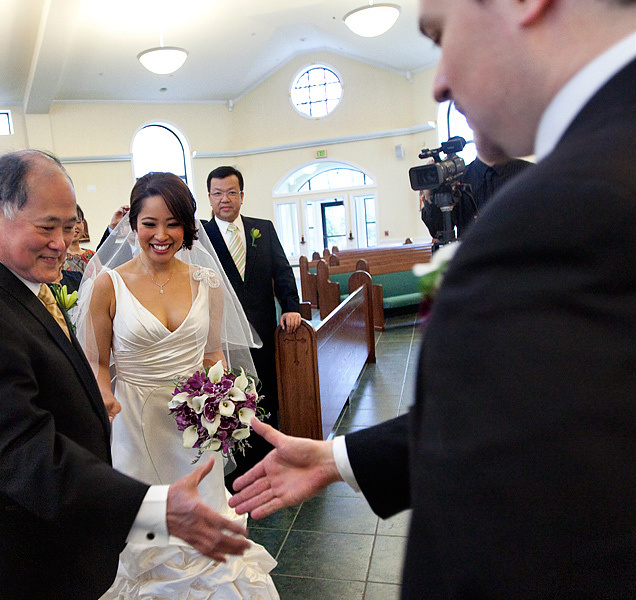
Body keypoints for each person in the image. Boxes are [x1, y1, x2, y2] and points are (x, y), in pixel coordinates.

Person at [230, 0, 636, 597]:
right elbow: (525, 415)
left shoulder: (570, 203)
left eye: (441, 33)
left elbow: (527, 511)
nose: (440, 82)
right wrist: (338, 459)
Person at [0, 150, 251, 600]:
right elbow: (23, 452)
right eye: (48, 227)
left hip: (66, 525)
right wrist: (152, 506)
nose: (63, 243)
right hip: (30, 549)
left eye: (68, 228)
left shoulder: (18, 291)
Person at [76, 172, 278, 599]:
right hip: (136, 424)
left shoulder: (207, 281)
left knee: (206, 525)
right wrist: (105, 395)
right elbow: (95, 362)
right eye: (150, 223)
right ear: (133, 224)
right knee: (149, 537)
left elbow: (211, 356)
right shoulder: (106, 286)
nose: (161, 235)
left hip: (197, 428)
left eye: (173, 223)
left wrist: (228, 402)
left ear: (188, 227)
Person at [202, 165, 302, 484]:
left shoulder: (264, 229)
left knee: (265, 398)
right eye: (217, 193)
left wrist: (291, 307)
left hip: (263, 332)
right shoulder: (201, 237)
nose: (225, 199)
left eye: (231, 192)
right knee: (231, 402)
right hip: (224, 339)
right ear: (209, 198)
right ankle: (239, 472)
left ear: (242, 195)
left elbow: (283, 273)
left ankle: (270, 464)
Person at [420, 130, 531, 241]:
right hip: (472, 255)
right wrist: (430, 198)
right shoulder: (458, 178)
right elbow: (437, 230)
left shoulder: (529, 172)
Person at [62, 204, 96, 273]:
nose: (74, 227)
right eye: (69, 223)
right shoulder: (57, 257)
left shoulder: (93, 255)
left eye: (78, 222)